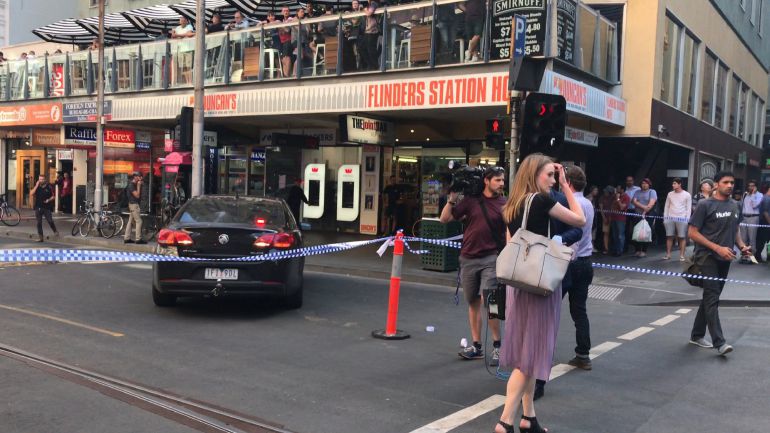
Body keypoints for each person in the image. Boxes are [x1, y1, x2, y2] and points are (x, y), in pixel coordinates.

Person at [494, 155, 585, 433]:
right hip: (540, 284)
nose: (554, 180)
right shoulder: (542, 201)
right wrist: (569, 186)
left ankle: (528, 417)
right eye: (549, 175)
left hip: (518, 284)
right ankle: (505, 421)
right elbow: (579, 220)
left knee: (528, 354)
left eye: (556, 177)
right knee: (528, 357)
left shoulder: (511, 205)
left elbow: (511, 244)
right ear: (534, 175)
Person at [439, 167, 506, 366]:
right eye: (498, 180)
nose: (502, 183)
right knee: (473, 302)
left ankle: (498, 346)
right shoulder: (470, 201)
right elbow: (444, 219)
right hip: (468, 259)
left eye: (503, 180)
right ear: (486, 181)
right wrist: (452, 198)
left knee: (491, 300)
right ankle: (476, 346)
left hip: (491, 258)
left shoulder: (504, 203)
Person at [688, 171, 751, 356]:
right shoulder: (704, 204)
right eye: (726, 182)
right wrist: (717, 248)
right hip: (706, 257)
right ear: (716, 184)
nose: (730, 185)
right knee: (712, 296)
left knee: (711, 297)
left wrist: (741, 246)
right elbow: (692, 233)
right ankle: (720, 343)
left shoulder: (735, 204)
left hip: (726, 257)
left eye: (732, 182)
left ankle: (696, 334)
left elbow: (735, 229)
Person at [663, 178, 692, 261]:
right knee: (669, 236)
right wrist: (665, 218)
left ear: (680, 184)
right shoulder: (670, 194)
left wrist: (687, 219)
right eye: (673, 183)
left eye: (675, 183)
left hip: (682, 218)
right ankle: (668, 254)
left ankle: (682, 255)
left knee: (682, 237)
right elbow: (666, 206)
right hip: (670, 217)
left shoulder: (687, 195)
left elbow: (688, 208)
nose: (673, 185)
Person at [631, 178, 657, 257]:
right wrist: (644, 207)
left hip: (648, 215)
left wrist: (645, 212)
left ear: (649, 184)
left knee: (646, 233)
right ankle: (638, 249)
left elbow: (652, 203)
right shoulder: (637, 192)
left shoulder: (652, 192)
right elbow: (634, 201)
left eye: (646, 183)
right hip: (637, 215)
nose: (644, 185)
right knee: (636, 232)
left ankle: (644, 250)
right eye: (642, 183)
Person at [30, 175, 59, 242]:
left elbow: (53, 196)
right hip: (38, 207)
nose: (41, 181)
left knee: (50, 221)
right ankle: (41, 238)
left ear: (45, 180)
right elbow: (31, 193)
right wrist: (36, 185)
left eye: (42, 179)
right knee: (39, 223)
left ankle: (55, 231)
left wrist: (48, 200)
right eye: (40, 179)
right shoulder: (37, 187)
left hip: (47, 207)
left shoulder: (49, 187)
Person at [739, 180, 762, 262]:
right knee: (743, 238)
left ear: (755, 186)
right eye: (749, 185)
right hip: (744, 217)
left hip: (753, 217)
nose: (750, 187)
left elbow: (754, 205)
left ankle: (752, 258)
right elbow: (741, 205)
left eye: (752, 185)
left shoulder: (759, 195)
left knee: (752, 238)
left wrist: (753, 194)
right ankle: (744, 256)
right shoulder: (745, 194)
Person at [124, 172, 146, 244]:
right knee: (139, 221)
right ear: (135, 177)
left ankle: (127, 238)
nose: (141, 178)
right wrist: (139, 186)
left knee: (130, 222)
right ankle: (138, 239)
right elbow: (137, 196)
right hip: (134, 205)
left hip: (133, 205)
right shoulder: (131, 185)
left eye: (141, 176)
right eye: (139, 176)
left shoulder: (133, 184)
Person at [610, 185, 630, 256]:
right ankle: (615, 250)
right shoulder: (615, 196)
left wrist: (618, 199)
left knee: (620, 235)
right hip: (613, 217)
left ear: (622, 189)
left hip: (621, 219)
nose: (617, 190)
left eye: (618, 189)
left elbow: (622, 207)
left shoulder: (626, 197)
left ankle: (620, 251)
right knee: (615, 235)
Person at [623, 176, 641, 253]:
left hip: (635, 210)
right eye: (628, 181)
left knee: (636, 229)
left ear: (633, 181)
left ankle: (637, 249)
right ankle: (625, 248)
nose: (629, 182)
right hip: (626, 210)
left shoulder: (638, 189)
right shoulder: (624, 190)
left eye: (630, 181)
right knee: (625, 230)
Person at [757, 186, 770, 263]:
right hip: (765, 222)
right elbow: (765, 212)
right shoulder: (766, 198)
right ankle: (758, 256)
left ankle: (766, 256)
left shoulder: (766, 197)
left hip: (765, 222)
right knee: (762, 240)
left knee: (765, 240)